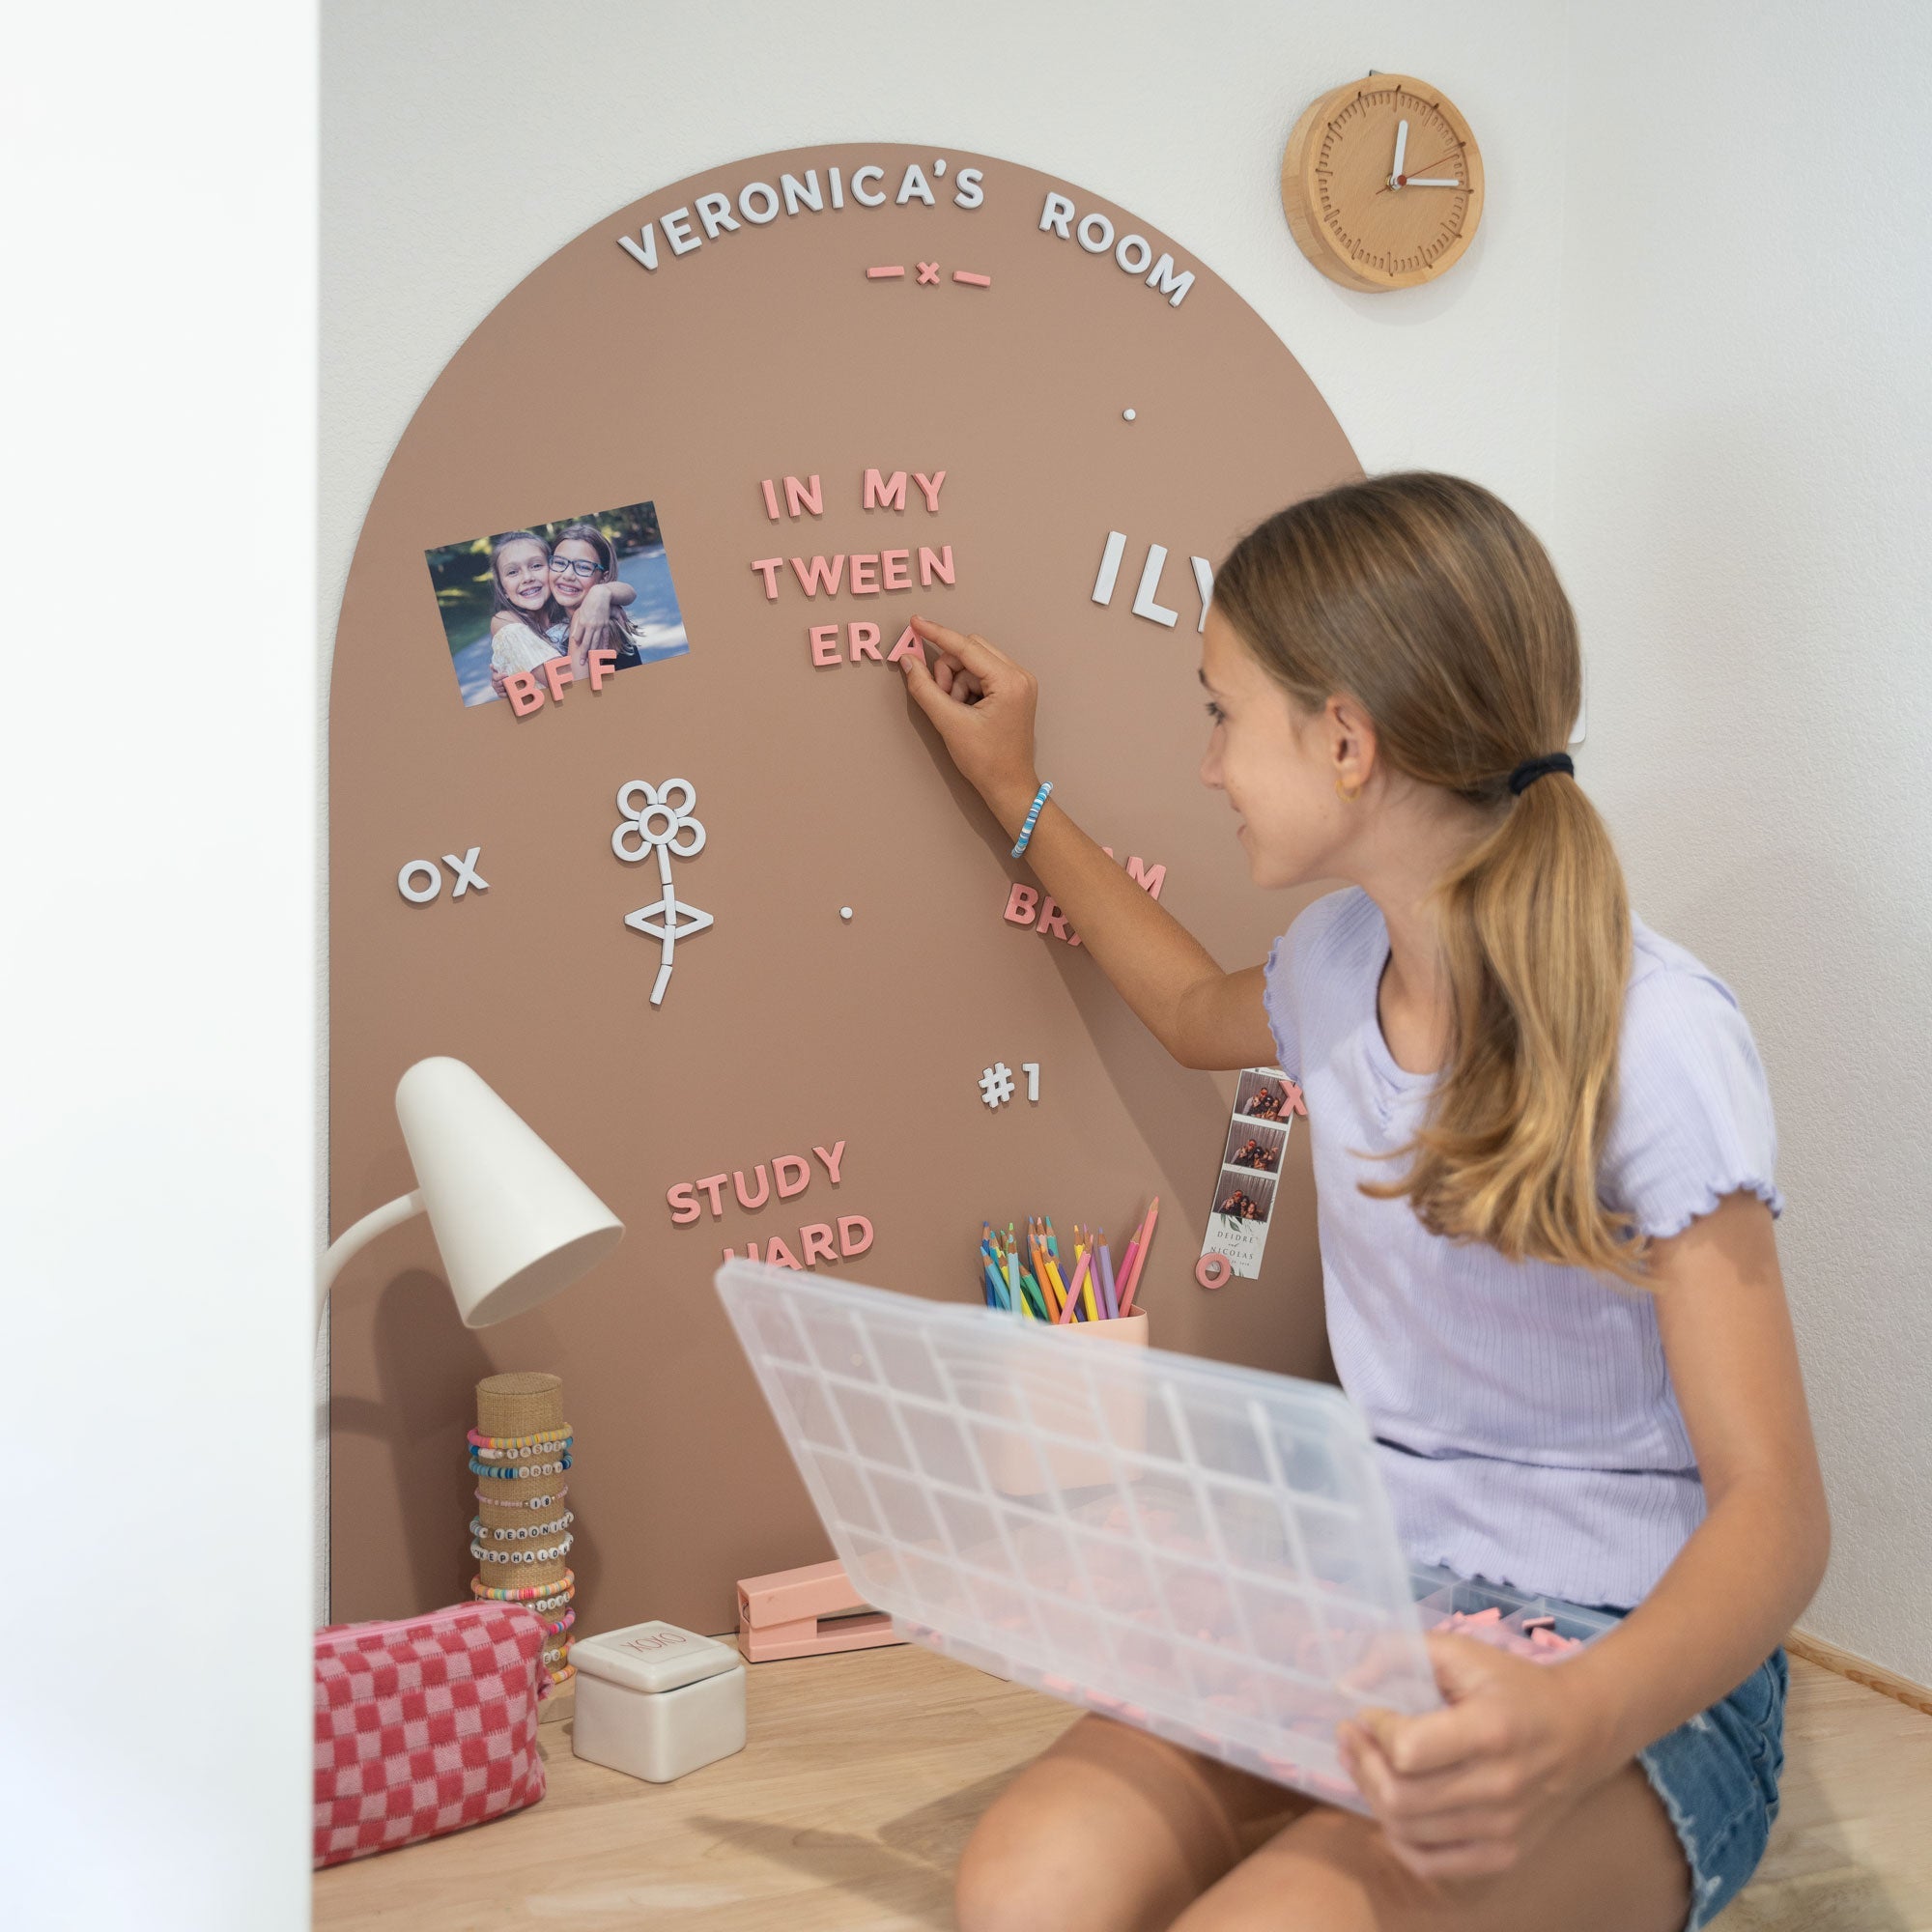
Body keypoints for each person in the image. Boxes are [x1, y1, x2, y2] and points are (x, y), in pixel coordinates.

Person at [897, 471, 1826, 1932]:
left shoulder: (1663, 1043)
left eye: (1221, 713)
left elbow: (1778, 1519)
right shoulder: (1334, 965)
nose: (1209, 765)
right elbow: (1189, 1003)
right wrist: (1016, 787)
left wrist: (1573, 1724)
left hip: (1625, 1661)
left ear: (1344, 741)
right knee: (1028, 1890)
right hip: (1365, 1594)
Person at [484, 526, 637, 698]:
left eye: (536, 566)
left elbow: (576, 690)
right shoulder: (511, 623)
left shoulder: (595, 618)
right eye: (560, 563)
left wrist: (601, 593)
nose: (527, 578)